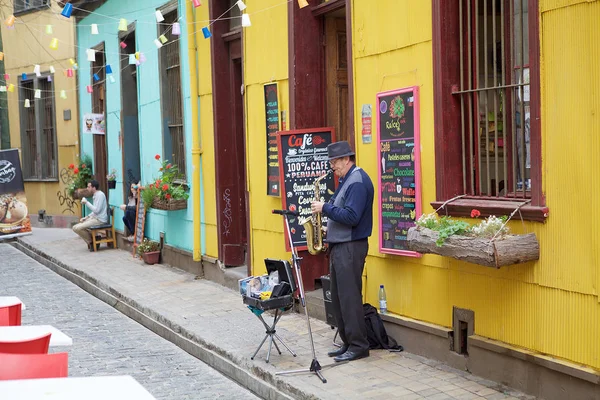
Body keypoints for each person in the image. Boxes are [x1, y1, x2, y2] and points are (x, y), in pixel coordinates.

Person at [311, 140, 374, 362]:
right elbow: (345, 215)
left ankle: (358, 346)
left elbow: (352, 216)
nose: (333, 167)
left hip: (351, 247)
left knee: (349, 298)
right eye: (331, 162)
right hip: (341, 245)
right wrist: (330, 227)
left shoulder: (356, 181)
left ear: (347, 159)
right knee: (338, 297)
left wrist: (324, 208)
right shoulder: (347, 179)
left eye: (335, 162)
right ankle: (348, 342)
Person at [72, 180, 108, 251]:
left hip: (100, 219)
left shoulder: (100, 195)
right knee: (75, 227)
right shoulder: (95, 195)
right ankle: (94, 239)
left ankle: (92, 241)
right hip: (95, 218)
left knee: (77, 228)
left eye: (89, 187)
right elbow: (95, 212)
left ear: (94, 188)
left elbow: (97, 210)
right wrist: (87, 217)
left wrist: (86, 202)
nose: (87, 188)